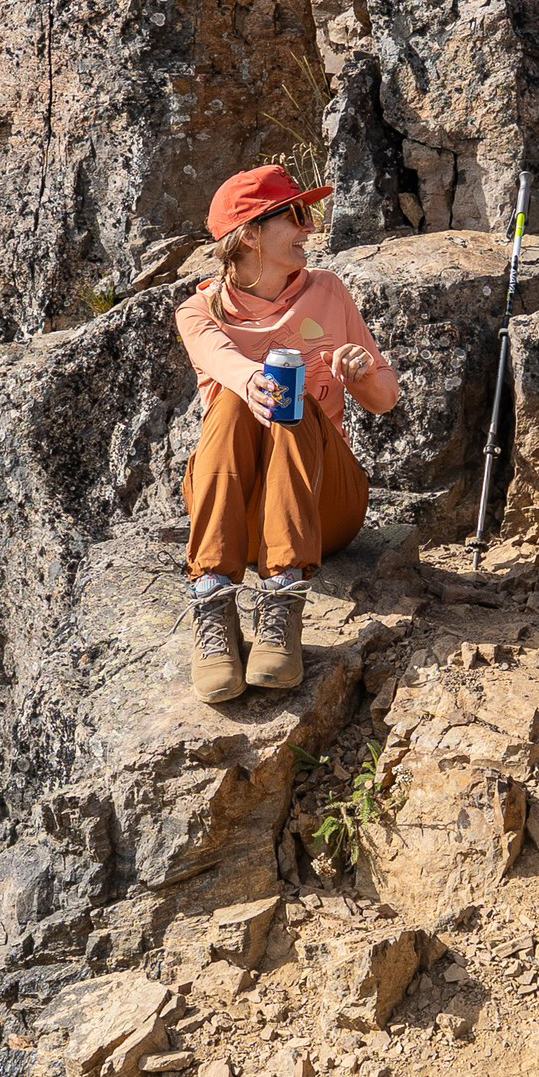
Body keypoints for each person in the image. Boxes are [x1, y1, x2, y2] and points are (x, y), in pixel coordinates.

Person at [171, 166, 401, 707]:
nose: (311, 227)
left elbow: (386, 398)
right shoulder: (198, 311)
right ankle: (213, 603)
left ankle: (281, 599)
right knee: (235, 403)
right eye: (296, 215)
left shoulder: (327, 290)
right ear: (250, 233)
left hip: (326, 511)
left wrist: (363, 374)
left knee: (291, 406)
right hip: (241, 516)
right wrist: (258, 383)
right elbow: (221, 360)